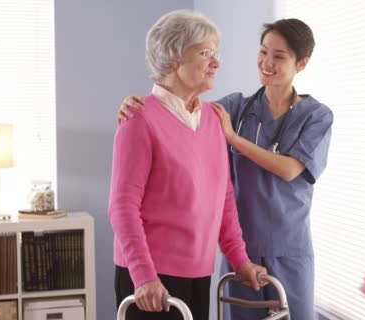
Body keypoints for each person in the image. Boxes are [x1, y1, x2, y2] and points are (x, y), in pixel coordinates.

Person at [118, 18, 333, 319]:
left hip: (285, 250)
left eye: (279, 56)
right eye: (263, 52)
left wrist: (233, 138)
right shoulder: (231, 109)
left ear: (302, 63)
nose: (267, 62)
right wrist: (134, 104)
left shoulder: (313, 116)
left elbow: (282, 172)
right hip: (223, 255)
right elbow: (173, 107)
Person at [108, 10, 267, 320]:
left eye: (215, 53)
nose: (216, 62)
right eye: (205, 53)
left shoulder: (213, 118)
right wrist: (144, 277)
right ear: (173, 59)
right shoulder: (138, 119)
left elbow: (223, 199)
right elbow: (122, 207)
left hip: (198, 272)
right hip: (150, 280)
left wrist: (240, 260)